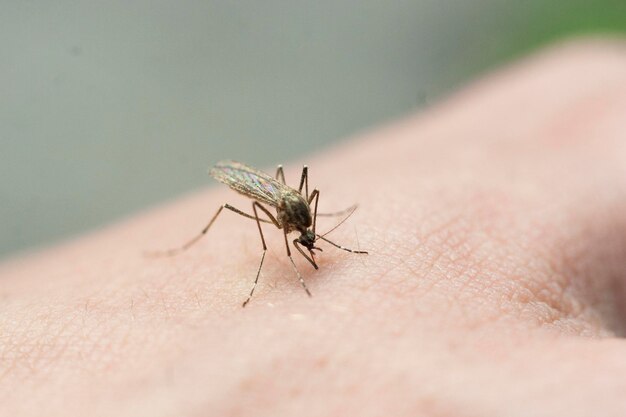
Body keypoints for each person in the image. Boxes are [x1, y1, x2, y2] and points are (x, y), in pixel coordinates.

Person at [2, 38, 625, 416]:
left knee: (300, 191)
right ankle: (197, 247)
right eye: (309, 238)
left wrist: (323, 233)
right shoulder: (282, 218)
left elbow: (305, 213)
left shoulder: (308, 216)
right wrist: (275, 268)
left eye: (310, 238)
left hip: (285, 195)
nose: (308, 240)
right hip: (258, 188)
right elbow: (284, 218)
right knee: (240, 206)